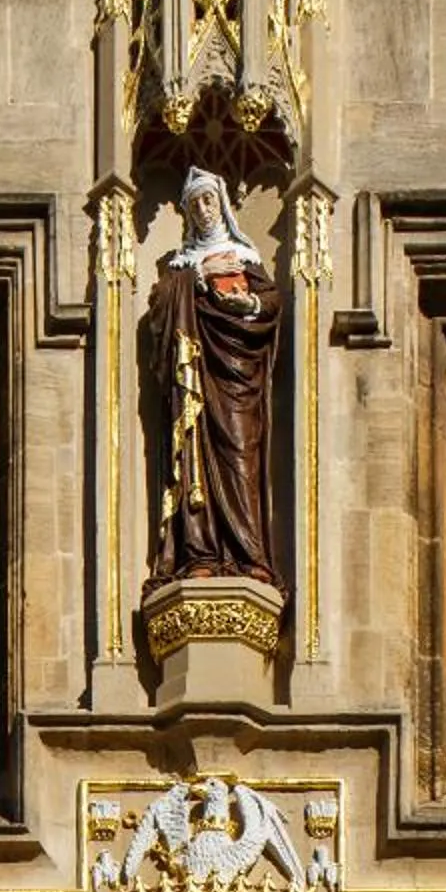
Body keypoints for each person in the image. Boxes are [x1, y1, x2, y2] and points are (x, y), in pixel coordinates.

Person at [144, 167, 284, 590]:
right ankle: (200, 553)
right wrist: (199, 279)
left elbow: (272, 303)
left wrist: (248, 303)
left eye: (209, 200)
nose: (203, 210)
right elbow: (159, 312)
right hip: (196, 380)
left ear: (221, 204)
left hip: (238, 378)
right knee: (192, 460)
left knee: (241, 456)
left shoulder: (244, 257)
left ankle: (248, 554)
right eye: (195, 203)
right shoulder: (181, 268)